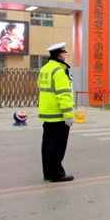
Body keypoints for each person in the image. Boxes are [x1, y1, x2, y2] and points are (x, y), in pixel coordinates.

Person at [38, 42, 75, 183]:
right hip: (58, 114)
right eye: (64, 52)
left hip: (47, 113)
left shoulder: (45, 69)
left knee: (47, 145)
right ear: (60, 54)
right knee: (57, 146)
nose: (66, 55)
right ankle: (57, 174)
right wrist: (68, 115)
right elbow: (63, 94)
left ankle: (47, 172)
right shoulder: (59, 71)